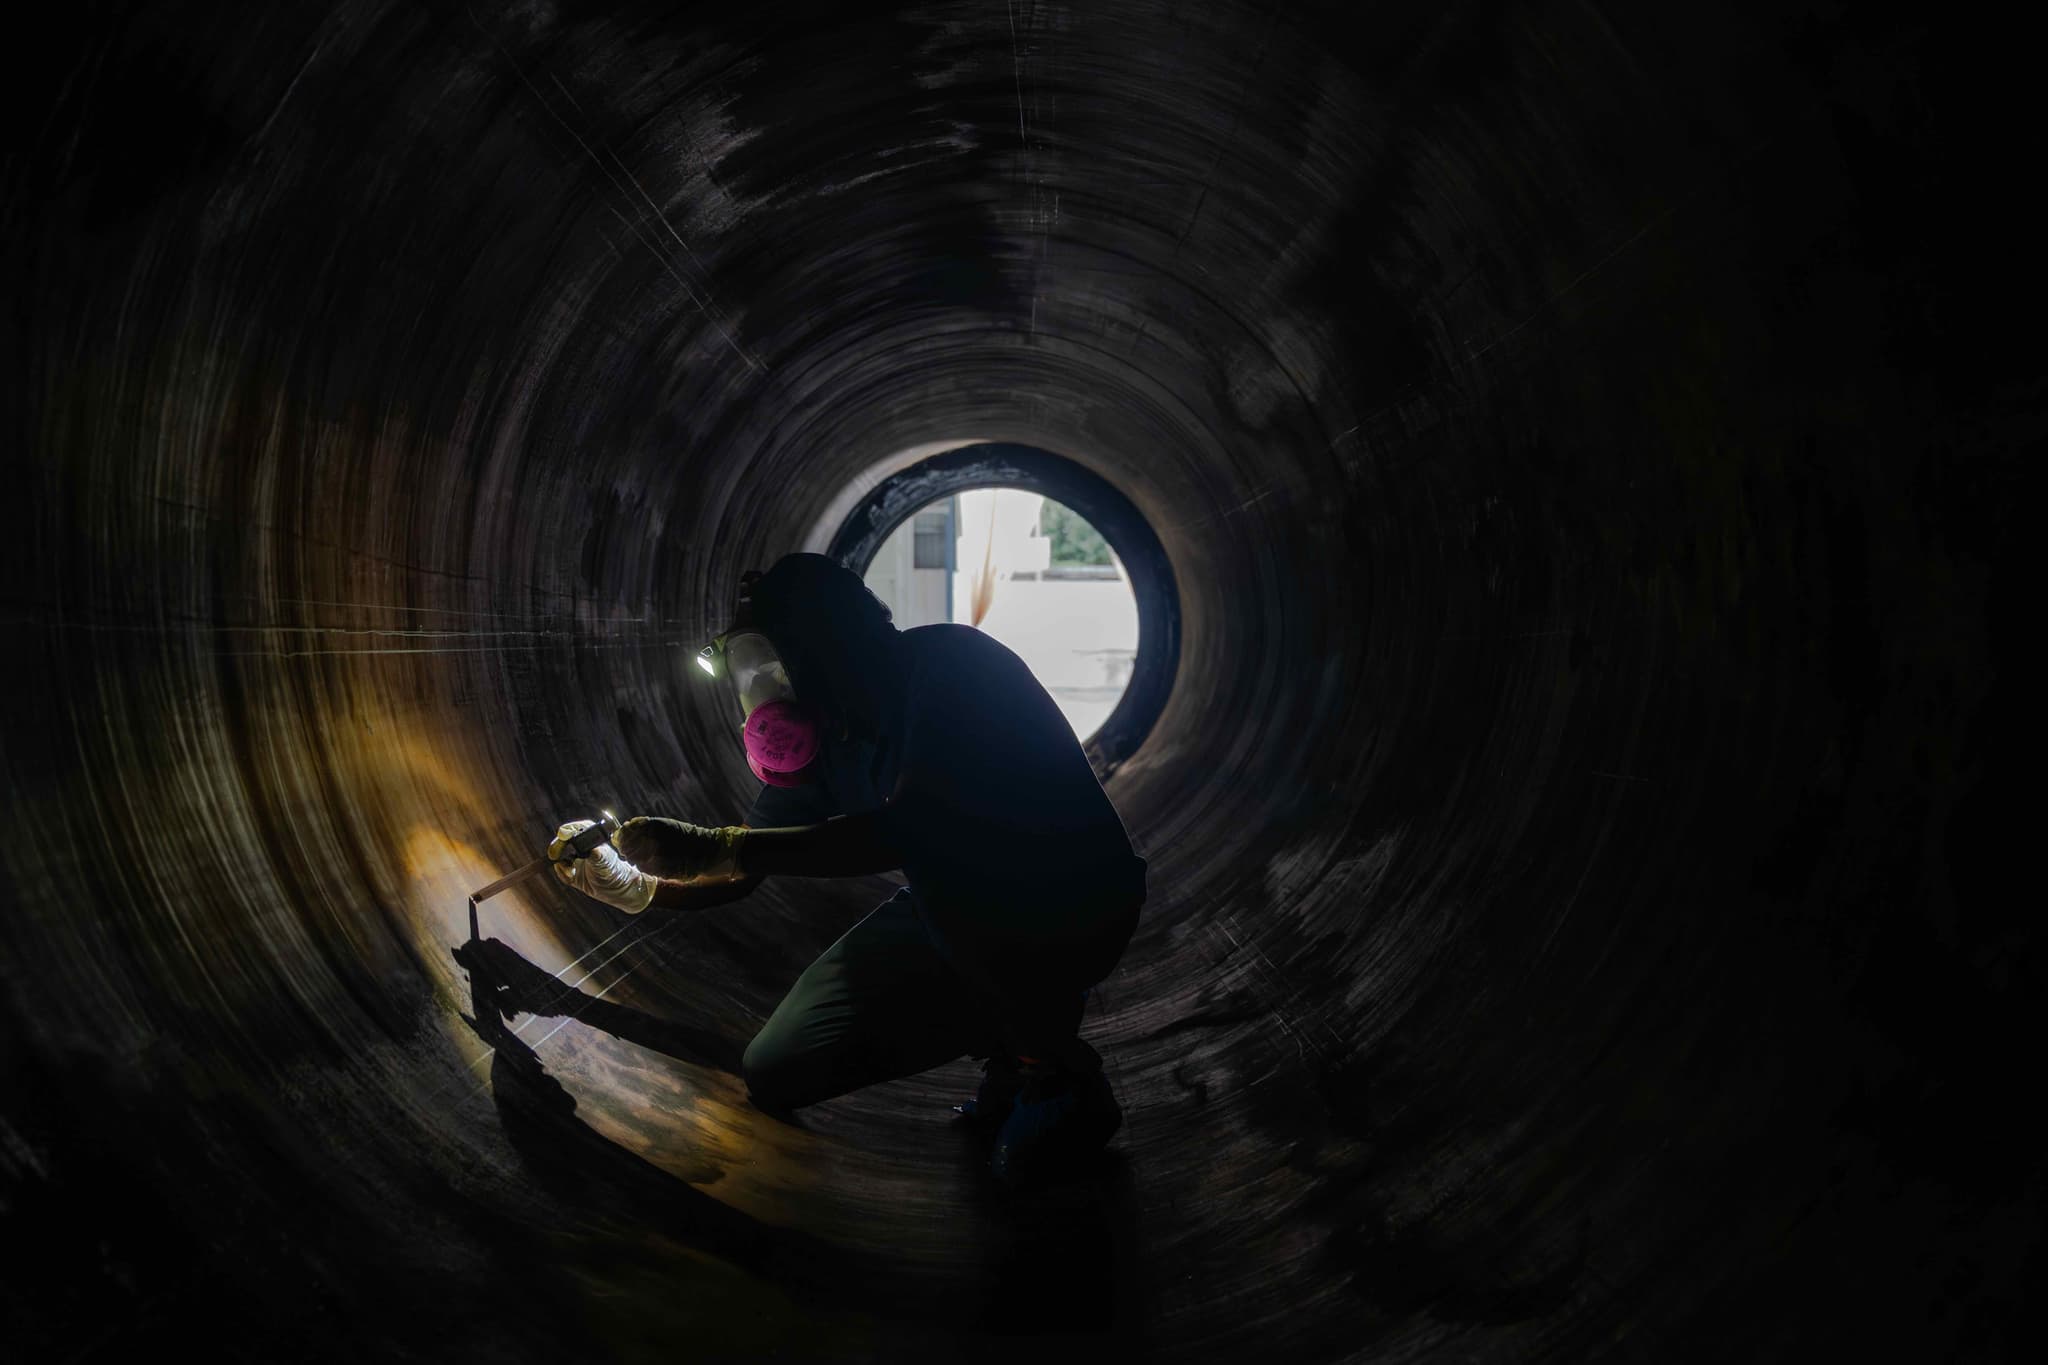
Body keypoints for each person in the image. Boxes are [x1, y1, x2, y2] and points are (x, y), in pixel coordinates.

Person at [547, 552, 1145, 1183]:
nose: (765, 688)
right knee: (776, 1071)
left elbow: (908, 831)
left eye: (774, 661)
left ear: (829, 642)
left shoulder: (952, 666)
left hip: (1076, 895)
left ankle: (1056, 1075)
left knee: (954, 892)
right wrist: (630, 884)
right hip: (951, 908)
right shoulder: (829, 738)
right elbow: (739, 869)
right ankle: (1003, 1031)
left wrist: (718, 845)